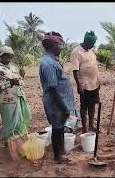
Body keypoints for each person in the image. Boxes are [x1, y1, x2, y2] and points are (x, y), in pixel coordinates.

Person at [39, 31, 77, 164]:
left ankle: (61, 152)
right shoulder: (48, 63)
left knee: (60, 128)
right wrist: (64, 108)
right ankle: (58, 157)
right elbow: (52, 88)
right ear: (53, 45)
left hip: (60, 102)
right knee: (57, 129)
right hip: (56, 103)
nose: (62, 47)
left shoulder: (52, 60)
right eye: (60, 45)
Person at [0, 46, 32, 152]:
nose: (8, 58)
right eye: (6, 56)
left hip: (17, 97)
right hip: (6, 100)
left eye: (10, 56)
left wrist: (22, 77)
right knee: (9, 123)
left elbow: (19, 82)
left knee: (19, 122)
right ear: (1, 56)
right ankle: (10, 146)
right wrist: (9, 83)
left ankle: (18, 144)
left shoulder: (13, 68)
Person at [71, 31, 100, 133]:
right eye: (92, 44)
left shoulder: (91, 52)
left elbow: (94, 67)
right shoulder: (76, 52)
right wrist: (79, 85)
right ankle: (84, 128)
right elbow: (76, 70)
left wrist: (98, 81)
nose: (93, 46)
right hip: (85, 85)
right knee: (84, 107)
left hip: (94, 84)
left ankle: (91, 125)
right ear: (86, 41)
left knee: (92, 106)